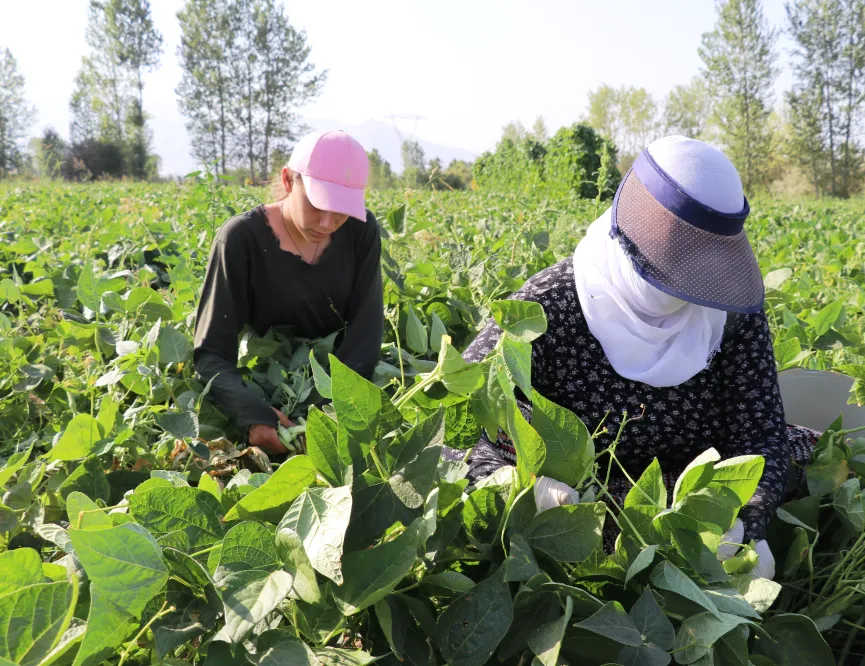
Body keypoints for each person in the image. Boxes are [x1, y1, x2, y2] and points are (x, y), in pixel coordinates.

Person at [461, 136, 819, 579]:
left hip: (694, 495)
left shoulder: (729, 312)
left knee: (803, 457)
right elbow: (464, 412)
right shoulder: (546, 306)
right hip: (582, 500)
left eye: (694, 282)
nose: (681, 300)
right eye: (668, 279)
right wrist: (519, 486)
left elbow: (761, 434)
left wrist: (750, 525)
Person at [193, 130, 384, 455]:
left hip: (340, 379)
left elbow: (365, 338)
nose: (326, 223)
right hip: (266, 381)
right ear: (287, 180)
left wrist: (329, 413)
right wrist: (252, 415)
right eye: (316, 203)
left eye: (340, 210)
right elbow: (211, 354)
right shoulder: (241, 239)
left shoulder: (360, 230)